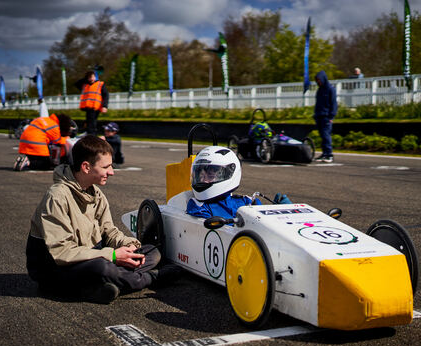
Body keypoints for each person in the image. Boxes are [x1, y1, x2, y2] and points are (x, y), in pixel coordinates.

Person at [26, 135, 178, 304]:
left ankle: (97, 288)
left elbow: (109, 232)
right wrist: (112, 256)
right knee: (102, 267)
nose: (111, 172)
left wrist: (129, 246)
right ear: (86, 167)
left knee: (151, 252)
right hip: (55, 269)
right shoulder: (57, 197)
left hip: (91, 257)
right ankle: (149, 279)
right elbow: (62, 253)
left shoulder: (96, 193)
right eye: (106, 167)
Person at [186, 146, 291, 220]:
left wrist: (281, 212)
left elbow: (264, 224)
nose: (203, 180)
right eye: (201, 176)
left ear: (229, 173)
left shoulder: (246, 201)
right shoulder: (197, 206)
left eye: (210, 176)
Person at [313, 71, 337, 163]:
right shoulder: (320, 90)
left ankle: (329, 154)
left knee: (326, 135)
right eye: (317, 80)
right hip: (319, 115)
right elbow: (318, 103)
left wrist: (331, 116)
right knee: (322, 136)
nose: (318, 82)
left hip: (327, 116)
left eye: (319, 80)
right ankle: (324, 153)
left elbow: (334, 103)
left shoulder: (331, 89)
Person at [76, 71, 108, 136]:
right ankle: (90, 133)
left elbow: (106, 95)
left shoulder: (100, 84)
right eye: (89, 77)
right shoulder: (85, 85)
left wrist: (105, 106)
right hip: (88, 107)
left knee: (92, 123)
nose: (91, 78)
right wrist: (85, 78)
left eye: (92, 76)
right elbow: (77, 84)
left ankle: (91, 135)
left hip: (95, 107)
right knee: (89, 122)